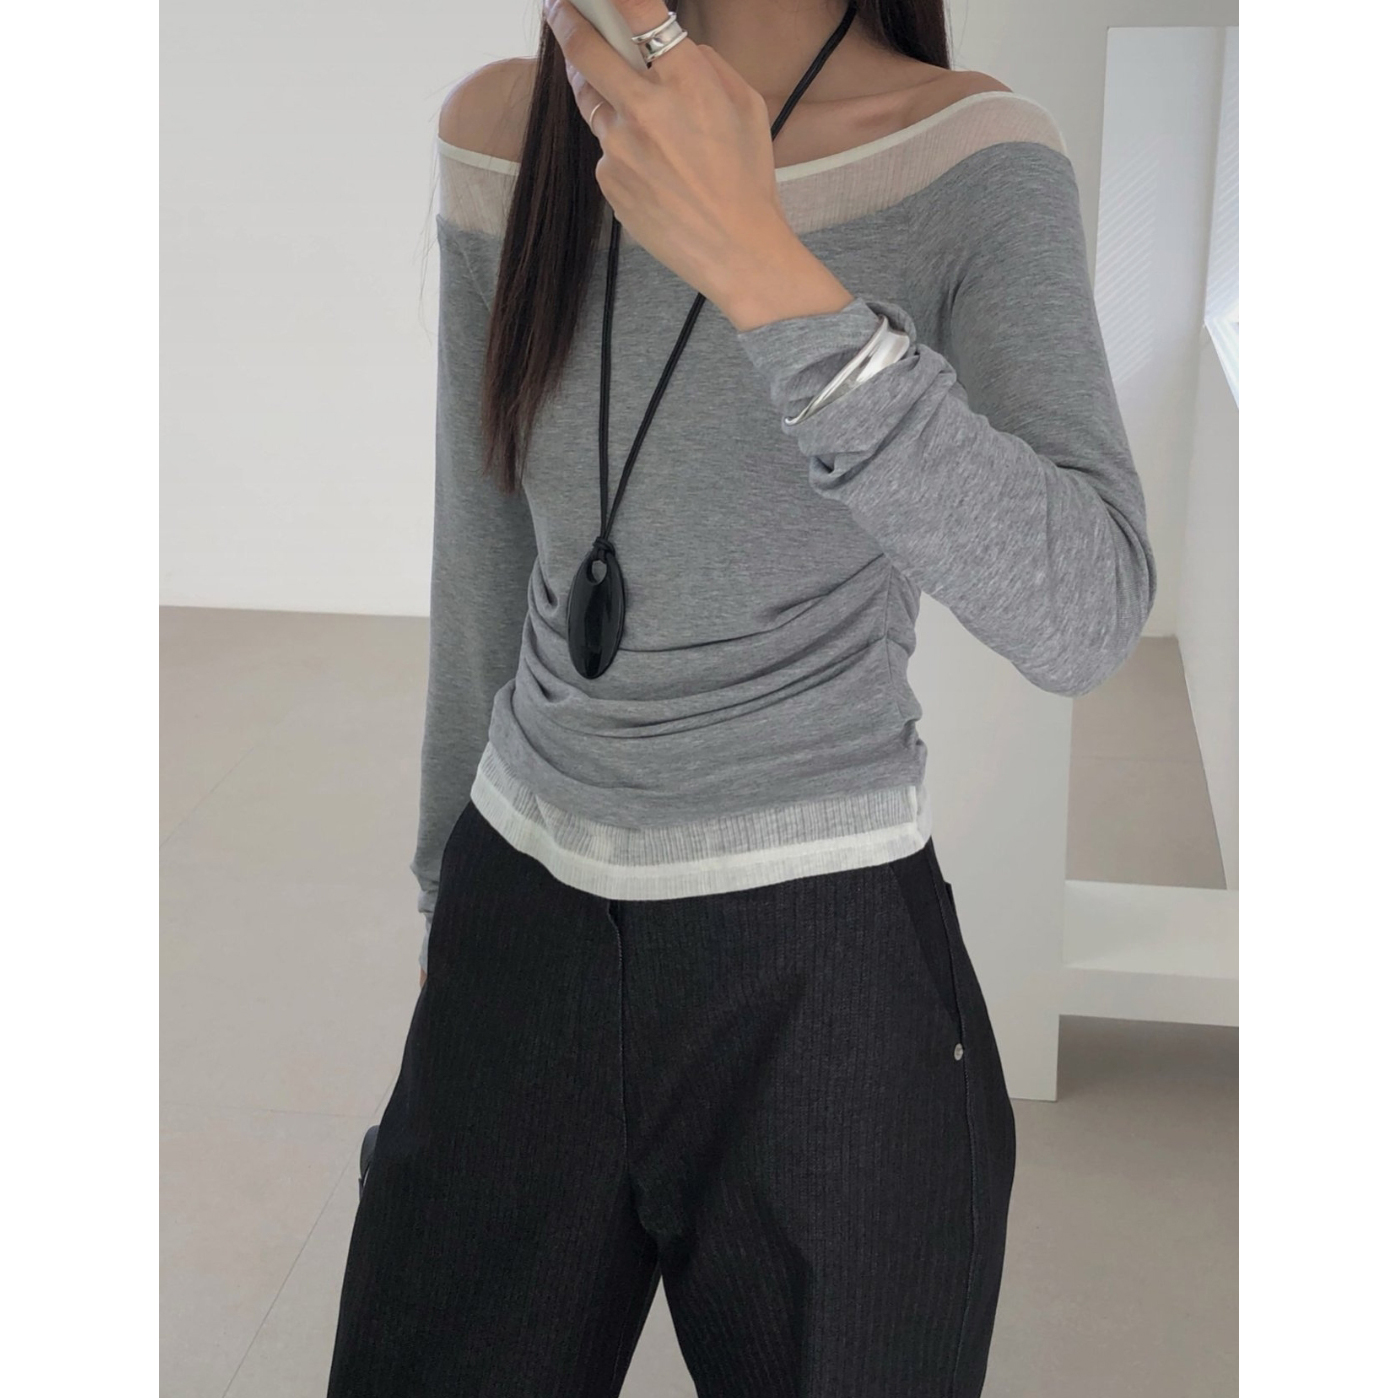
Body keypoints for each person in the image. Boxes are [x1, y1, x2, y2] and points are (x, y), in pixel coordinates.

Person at [327, 0, 1156, 1393]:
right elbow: (487, 554)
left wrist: (770, 271)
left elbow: (1087, 611)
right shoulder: (504, 135)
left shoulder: (969, 155)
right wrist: (442, 900)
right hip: (519, 912)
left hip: (822, 966)